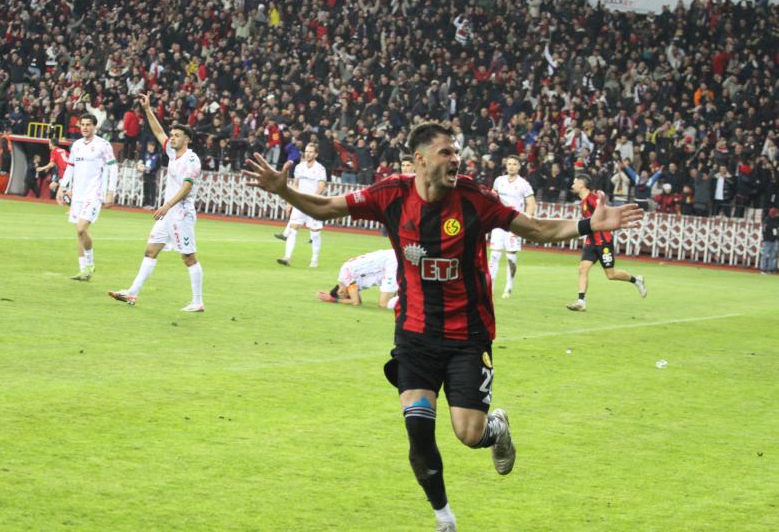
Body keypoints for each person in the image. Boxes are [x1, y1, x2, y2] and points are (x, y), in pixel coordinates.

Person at [244, 122, 643, 532]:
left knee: (468, 434)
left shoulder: (475, 199)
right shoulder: (391, 194)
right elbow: (326, 208)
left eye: (456, 153)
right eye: (446, 153)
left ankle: (496, 429)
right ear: (420, 160)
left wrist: (589, 225)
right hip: (415, 336)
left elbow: (538, 229)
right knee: (418, 432)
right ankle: (444, 518)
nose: (456, 160)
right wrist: (284, 191)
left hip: (468, 336)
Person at [108, 93, 204, 312]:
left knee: (188, 257)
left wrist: (167, 205)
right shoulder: (173, 153)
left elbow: (187, 187)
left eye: (177, 136)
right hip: (168, 214)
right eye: (173, 135)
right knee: (150, 250)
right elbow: (159, 132)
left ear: (187, 139)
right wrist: (148, 109)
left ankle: (198, 301)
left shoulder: (191, 160)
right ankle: (132, 292)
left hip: (181, 214)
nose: (172, 138)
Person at [566, 173, 647, 311]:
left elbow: (604, 211)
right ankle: (581, 301)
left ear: (582, 184)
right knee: (583, 269)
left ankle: (636, 280)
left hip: (603, 241)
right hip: (591, 241)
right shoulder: (583, 201)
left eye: (574, 182)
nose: (572, 185)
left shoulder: (593, 199)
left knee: (611, 274)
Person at [56, 113, 118, 280]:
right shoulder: (76, 145)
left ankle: (90, 263)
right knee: (79, 233)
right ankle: (84, 270)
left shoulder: (103, 145)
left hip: (94, 193)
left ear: (94, 126)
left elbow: (113, 167)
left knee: (81, 228)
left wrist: (111, 191)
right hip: (78, 194)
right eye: (82, 124)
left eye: (88, 124)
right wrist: (62, 186)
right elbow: (70, 166)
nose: (85, 127)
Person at [489, 156, 536, 299]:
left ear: (519, 166)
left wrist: (526, 219)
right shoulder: (499, 181)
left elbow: (531, 203)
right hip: (498, 222)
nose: (511, 166)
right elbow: (492, 197)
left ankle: (509, 287)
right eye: (509, 164)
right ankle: (490, 287)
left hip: (514, 224)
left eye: (514, 164)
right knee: (494, 255)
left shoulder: (524, 184)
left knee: (510, 256)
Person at [273, 142, 327, 268]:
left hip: (313, 204)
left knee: (315, 233)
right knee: (293, 229)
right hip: (300, 203)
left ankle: (314, 260)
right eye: (306, 151)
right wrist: (289, 202)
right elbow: (295, 185)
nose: (308, 154)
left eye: (311, 152)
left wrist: (313, 198)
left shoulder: (320, 169)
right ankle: (287, 257)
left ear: (316, 154)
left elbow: (321, 185)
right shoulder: (299, 167)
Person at [316, 249, 399, 309]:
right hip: (390, 260)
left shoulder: (345, 277)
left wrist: (332, 299)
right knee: (391, 298)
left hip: (391, 262)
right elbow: (358, 300)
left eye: (347, 296)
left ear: (341, 291)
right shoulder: (348, 280)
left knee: (383, 304)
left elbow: (356, 302)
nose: (349, 296)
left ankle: (407, 303)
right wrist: (330, 295)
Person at [760, 207, 778, 274]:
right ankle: (763, 269)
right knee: (765, 255)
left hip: (774, 240)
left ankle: (770, 269)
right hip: (767, 240)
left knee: (772, 256)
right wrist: (765, 238)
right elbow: (764, 230)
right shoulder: (767, 220)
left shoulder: (776, 220)